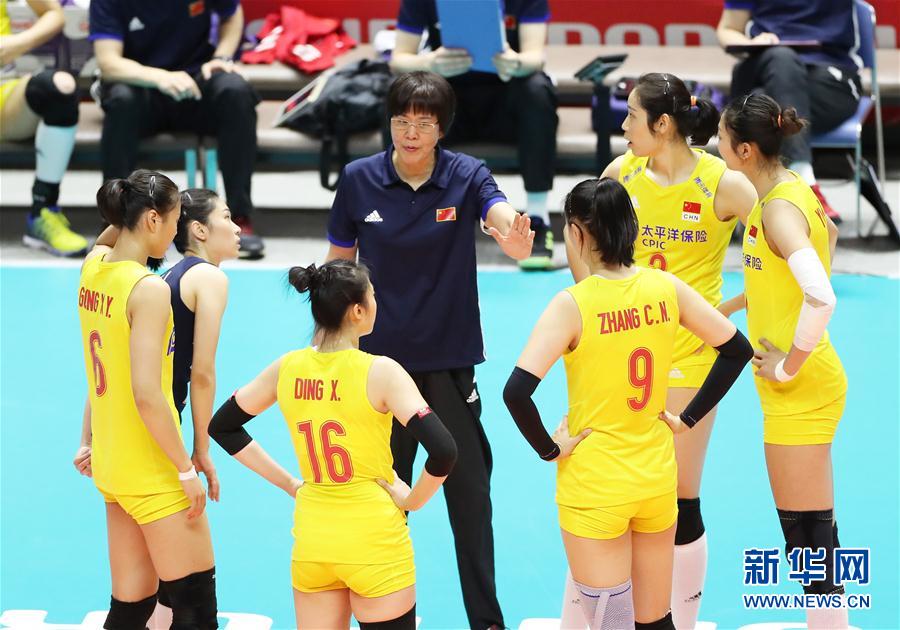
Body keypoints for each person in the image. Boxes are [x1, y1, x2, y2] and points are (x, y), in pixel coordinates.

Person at [326, 71, 533, 630]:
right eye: (401, 121)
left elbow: (497, 211)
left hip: (447, 365)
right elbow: (338, 265)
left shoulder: (466, 174)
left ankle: (486, 621)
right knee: (379, 501)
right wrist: (329, 341)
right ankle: (384, 617)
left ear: (442, 128)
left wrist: (512, 233)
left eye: (423, 123)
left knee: (470, 499)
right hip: (377, 372)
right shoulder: (359, 179)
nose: (411, 133)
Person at [504, 177, 752, 630]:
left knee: (610, 623)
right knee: (656, 622)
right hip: (655, 479)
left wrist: (551, 449)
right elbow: (737, 349)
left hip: (595, 486)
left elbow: (516, 392)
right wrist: (688, 418)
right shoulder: (666, 287)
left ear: (576, 234)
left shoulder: (572, 304)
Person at [560, 72, 757, 629]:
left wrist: (727, 309)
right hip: (619, 353)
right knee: (604, 493)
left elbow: (780, 250)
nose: (623, 125)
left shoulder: (722, 183)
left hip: (690, 359)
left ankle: (677, 618)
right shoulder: (620, 175)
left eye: (630, 116)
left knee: (679, 498)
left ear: (663, 124)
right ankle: (595, 616)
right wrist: (591, 305)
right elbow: (580, 240)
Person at [208, 260, 458, 629]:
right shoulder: (381, 371)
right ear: (357, 311)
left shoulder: (287, 367)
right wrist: (412, 501)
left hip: (314, 539)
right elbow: (444, 450)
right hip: (374, 541)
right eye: (373, 296)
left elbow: (223, 426)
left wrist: (290, 484)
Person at [717, 93, 848, 629]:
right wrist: (726, 309)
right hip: (798, 386)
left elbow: (821, 295)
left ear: (745, 150)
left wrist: (788, 365)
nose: (717, 148)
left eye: (722, 140)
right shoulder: (784, 189)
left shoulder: (775, 210)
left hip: (801, 388)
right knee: (810, 530)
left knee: (808, 534)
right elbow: (828, 237)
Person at [77, 169, 217, 628]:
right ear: (153, 219)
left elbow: (108, 237)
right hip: (152, 468)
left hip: (112, 465)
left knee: (131, 608)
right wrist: (185, 469)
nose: (176, 233)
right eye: (174, 220)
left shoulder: (94, 268)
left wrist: (87, 440)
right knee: (196, 609)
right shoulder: (148, 289)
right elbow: (147, 395)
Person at [389, 0, 558, 270]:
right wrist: (430, 63)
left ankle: (537, 217)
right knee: (401, 92)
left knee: (537, 90)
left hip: (506, 107)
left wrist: (516, 63)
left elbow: (535, 57)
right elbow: (399, 59)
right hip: (451, 108)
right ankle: (404, 212)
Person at [89, 0, 264, 258]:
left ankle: (237, 217)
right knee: (121, 100)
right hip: (141, 90)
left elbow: (232, 12)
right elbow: (108, 62)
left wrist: (221, 56)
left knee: (235, 91)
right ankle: (118, 224)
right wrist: (161, 77)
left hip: (194, 84)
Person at [716, 0, 862, 223]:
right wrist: (751, 43)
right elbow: (729, 29)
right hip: (763, 62)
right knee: (781, 58)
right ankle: (805, 182)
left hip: (828, 78)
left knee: (761, 103)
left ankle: (750, 199)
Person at [0, 0, 88, 256]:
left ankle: (43, 210)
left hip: (5, 95)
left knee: (59, 87)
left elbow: (54, 14)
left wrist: (17, 43)